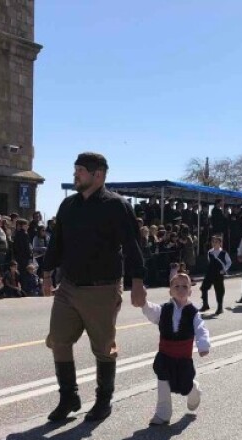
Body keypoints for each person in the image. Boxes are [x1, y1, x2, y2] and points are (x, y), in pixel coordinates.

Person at [41, 152, 146, 422]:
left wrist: (137, 282)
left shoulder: (116, 206)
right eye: (75, 169)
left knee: (102, 347)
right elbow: (57, 243)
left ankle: (103, 400)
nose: (75, 175)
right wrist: (46, 273)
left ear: (98, 175)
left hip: (102, 288)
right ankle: (69, 397)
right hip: (68, 287)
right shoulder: (69, 206)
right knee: (58, 340)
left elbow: (133, 246)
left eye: (80, 171)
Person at [142, 272, 211, 425]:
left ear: (190, 291)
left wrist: (203, 344)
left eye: (184, 286)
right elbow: (151, 311)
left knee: (184, 385)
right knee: (163, 380)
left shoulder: (193, 312)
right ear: (170, 291)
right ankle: (163, 414)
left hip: (183, 357)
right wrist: (143, 302)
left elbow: (201, 329)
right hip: (165, 355)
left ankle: (194, 391)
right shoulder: (164, 309)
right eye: (176, 286)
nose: (180, 289)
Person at [199, 234, 231, 314]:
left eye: (216, 242)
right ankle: (205, 305)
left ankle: (220, 307)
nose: (214, 243)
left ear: (220, 243)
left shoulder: (223, 253)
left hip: (219, 274)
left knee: (219, 290)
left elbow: (229, 262)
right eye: (213, 241)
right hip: (210, 272)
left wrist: (224, 270)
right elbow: (210, 262)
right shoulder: (210, 252)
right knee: (203, 288)